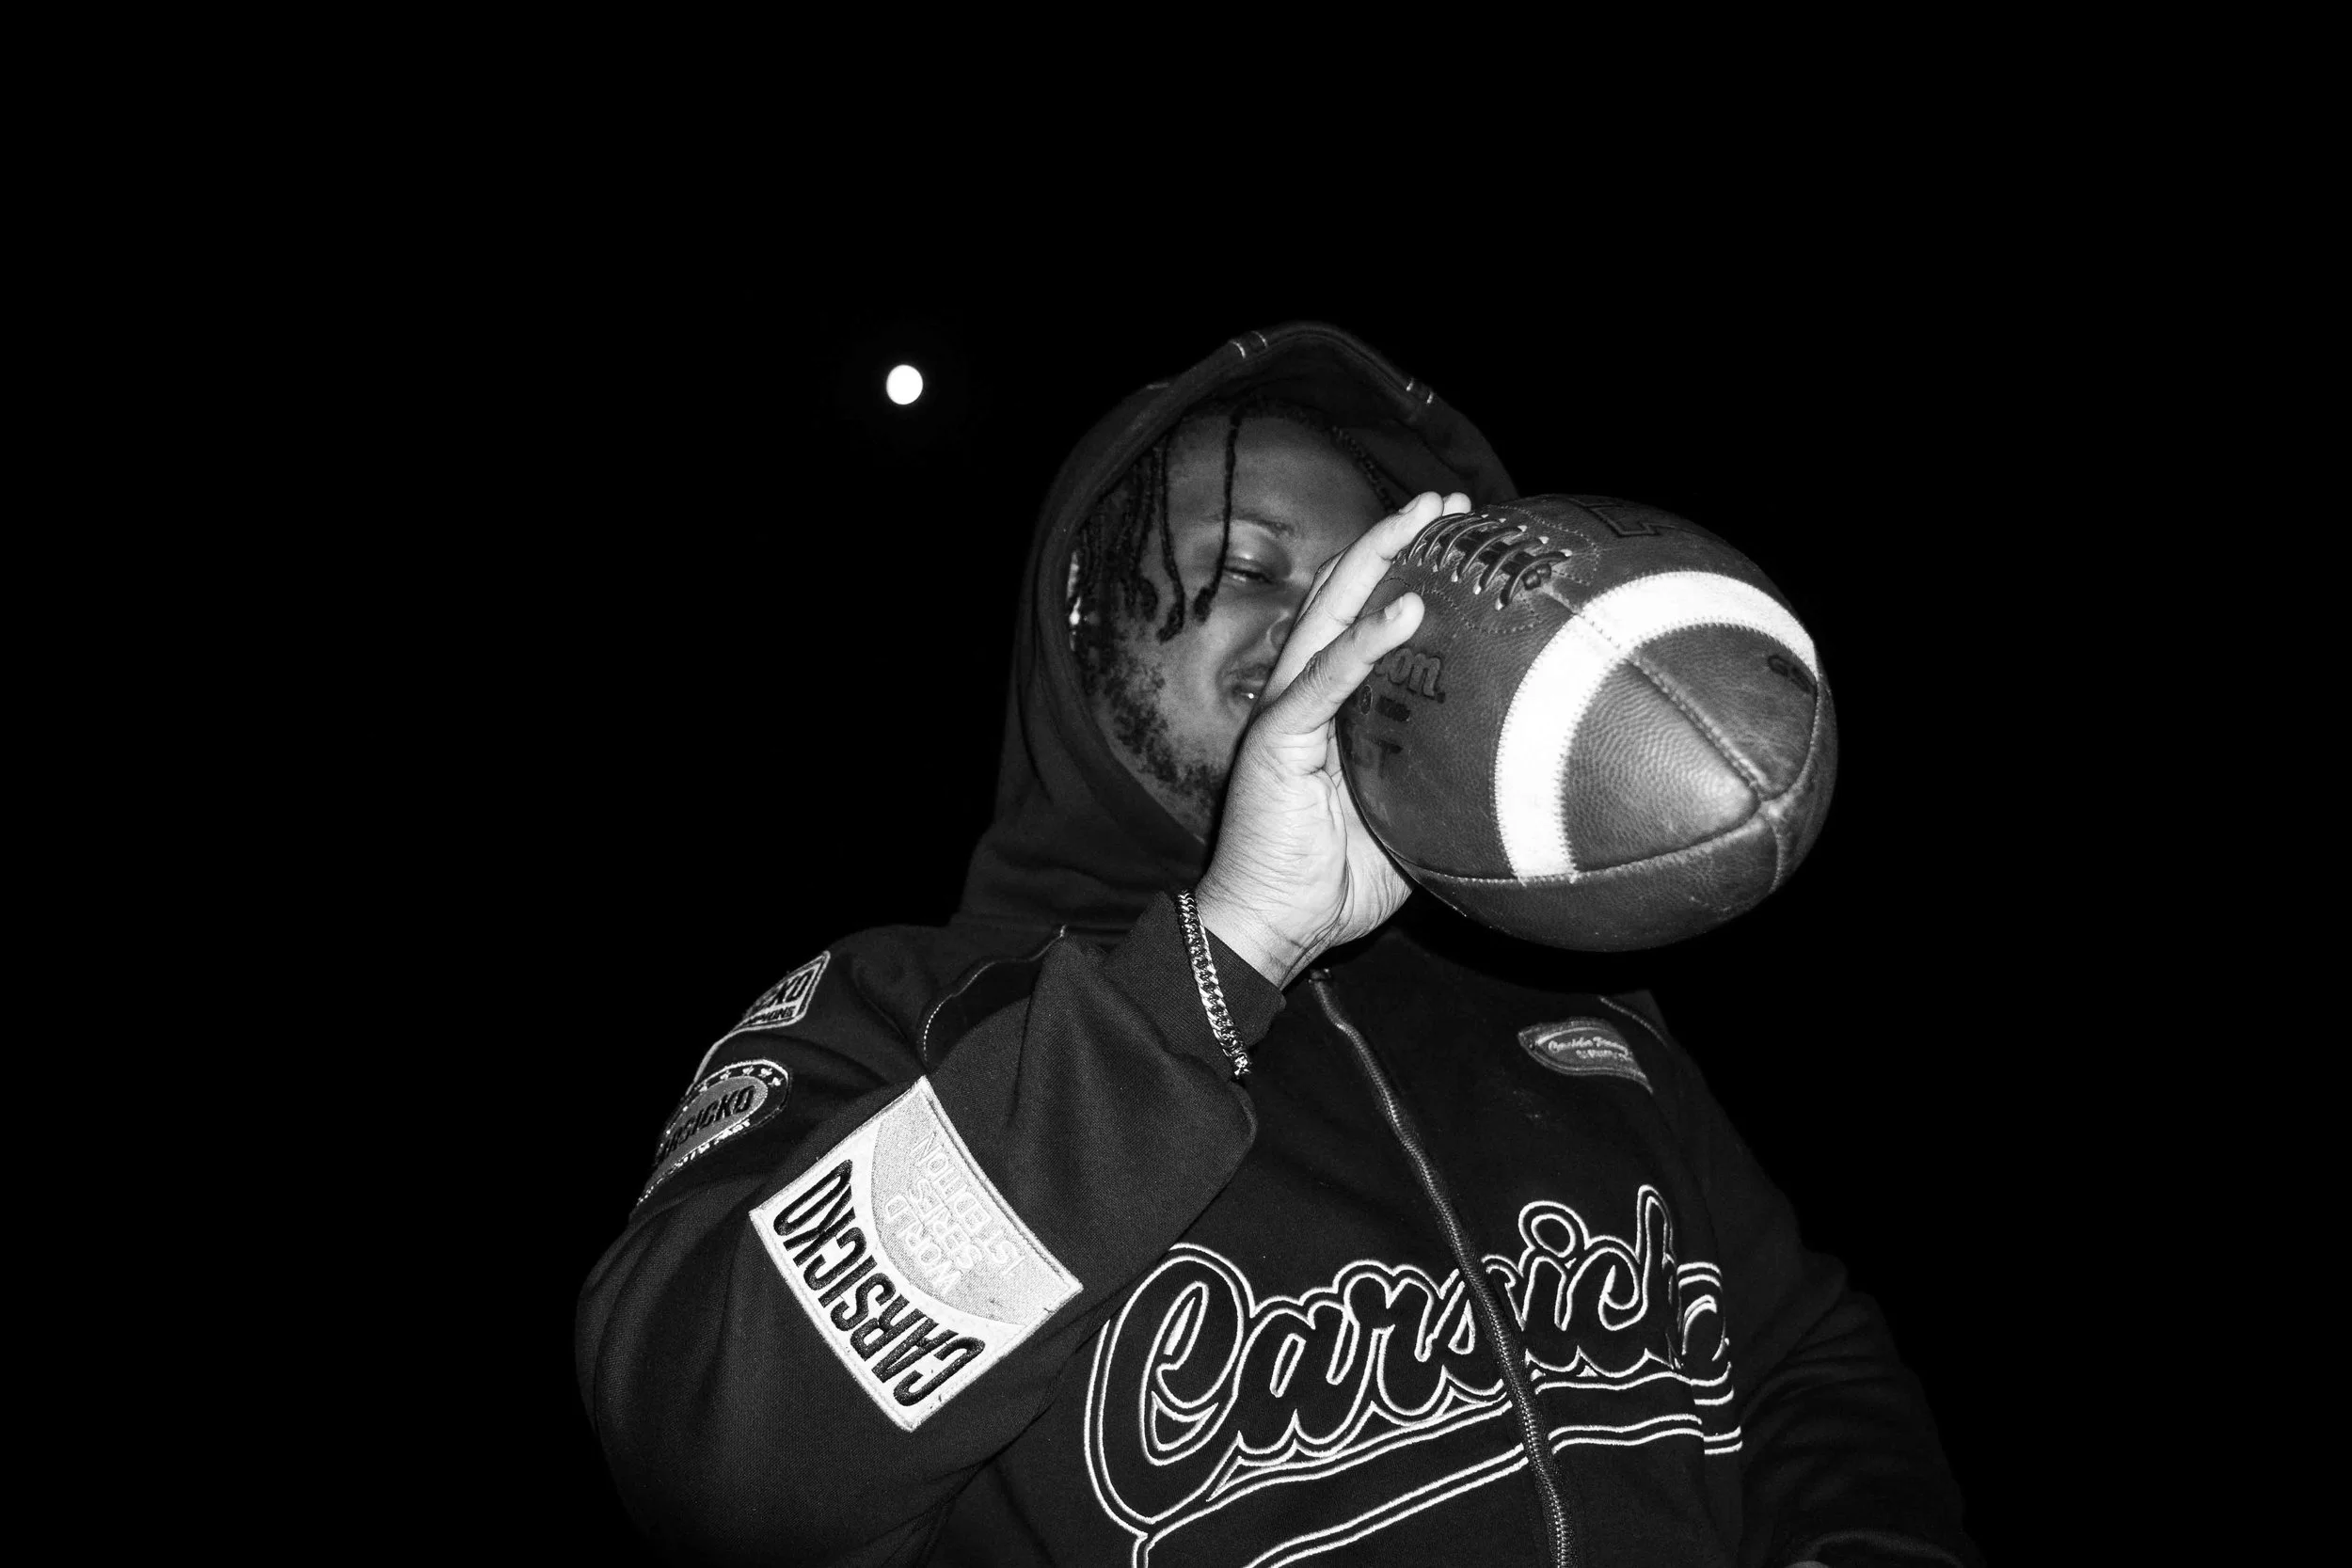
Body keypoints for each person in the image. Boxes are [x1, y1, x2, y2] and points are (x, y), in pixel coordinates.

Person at [577, 322, 1978, 1566]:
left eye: (1363, 589)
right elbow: (728, 1465)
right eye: (1245, 566)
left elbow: (1799, 1357)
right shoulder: (905, 1008)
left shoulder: (1565, 1004)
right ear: (1083, 632)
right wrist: (1228, 946)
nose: (1317, 623)